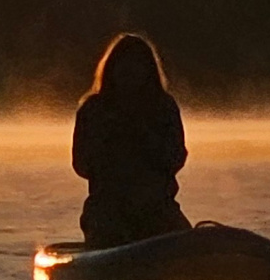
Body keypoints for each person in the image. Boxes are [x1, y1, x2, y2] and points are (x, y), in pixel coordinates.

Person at [71, 33, 193, 248]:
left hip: (157, 208)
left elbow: (176, 157)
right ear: (112, 69)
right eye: (124, 66)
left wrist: (146, 140)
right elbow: (81, 164)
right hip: (107, 209)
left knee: (181, 239)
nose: (131, 73)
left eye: (138, 66)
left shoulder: (163, 107)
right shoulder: (93, 109)